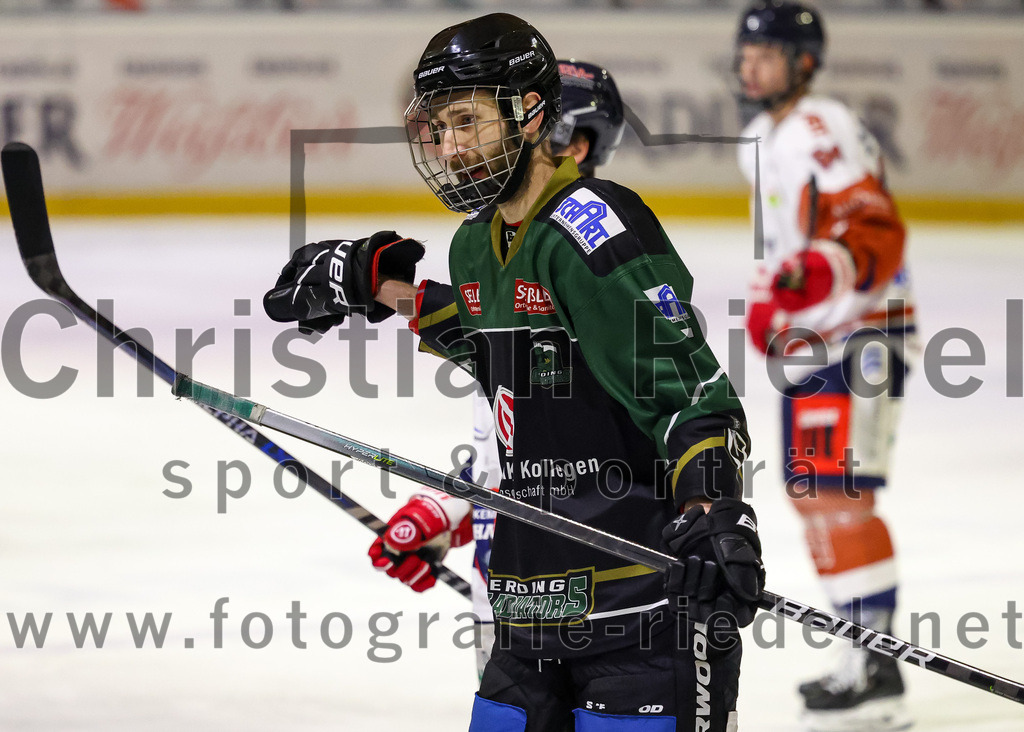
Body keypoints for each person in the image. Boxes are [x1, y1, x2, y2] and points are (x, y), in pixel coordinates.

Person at [265, 14, 764, 731]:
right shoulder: (476, 247)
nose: (448, 146)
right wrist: (379, 287)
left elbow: (689, 394)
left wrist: (714, 510)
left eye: (466, 121)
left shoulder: (589, 225)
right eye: (438, 127)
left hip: (641, 608)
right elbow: (504, 350)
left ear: (530, 114)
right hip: (533, 603)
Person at [359, 58, 630, 682]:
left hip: (596, 602)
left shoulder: (602, 272)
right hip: (507, 598)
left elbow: (589, 454)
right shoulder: (490, 260)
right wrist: (447, 511)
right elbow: (511, 446)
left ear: (576, 144)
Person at [734, 2, 916, 730]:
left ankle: (879, 668)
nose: (749, 64)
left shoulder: (821, 125)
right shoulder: (757, 135)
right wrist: (774, 304)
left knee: (840, 496)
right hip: (817, 340)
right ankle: (859, 655)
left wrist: (819, 270)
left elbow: (870, 223)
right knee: (813, 494)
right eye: (745, 52)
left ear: (803, 62)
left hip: (864, 332)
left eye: (766, 52)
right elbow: (784, 251)